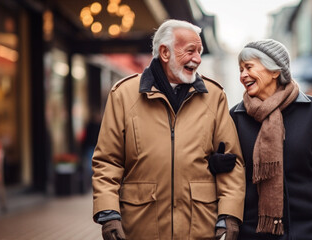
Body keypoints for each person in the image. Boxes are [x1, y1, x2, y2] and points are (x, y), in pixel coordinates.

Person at [91, 19, 245, 240]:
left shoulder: (214, 96)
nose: (198, 59)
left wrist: (229, 214)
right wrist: (108, 213)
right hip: (140, 227)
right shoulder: (123, 95)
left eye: (200, 52)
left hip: (199, 227)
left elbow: (232, 161)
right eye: (190, 51)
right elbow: (107, 160)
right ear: (165, 52)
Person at [226, 39, 312, 239]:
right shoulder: (236, 117)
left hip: (308, 229)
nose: (242, 75)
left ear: (275, 71)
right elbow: (230, 179)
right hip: (254, 232)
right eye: (240, 70)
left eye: (248, 67)